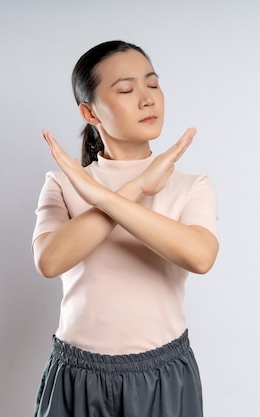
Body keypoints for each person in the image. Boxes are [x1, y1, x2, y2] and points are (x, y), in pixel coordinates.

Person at [32, 40, 219, 417]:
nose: (147, 99)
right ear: (90, 112)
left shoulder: (191, 186)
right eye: (126, 89)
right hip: (77, 376)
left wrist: (104, 197)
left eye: (152, 84)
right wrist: (135, 189)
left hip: (160, 376)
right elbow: (50, 262)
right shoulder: (64, 183)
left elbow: (200, 257)